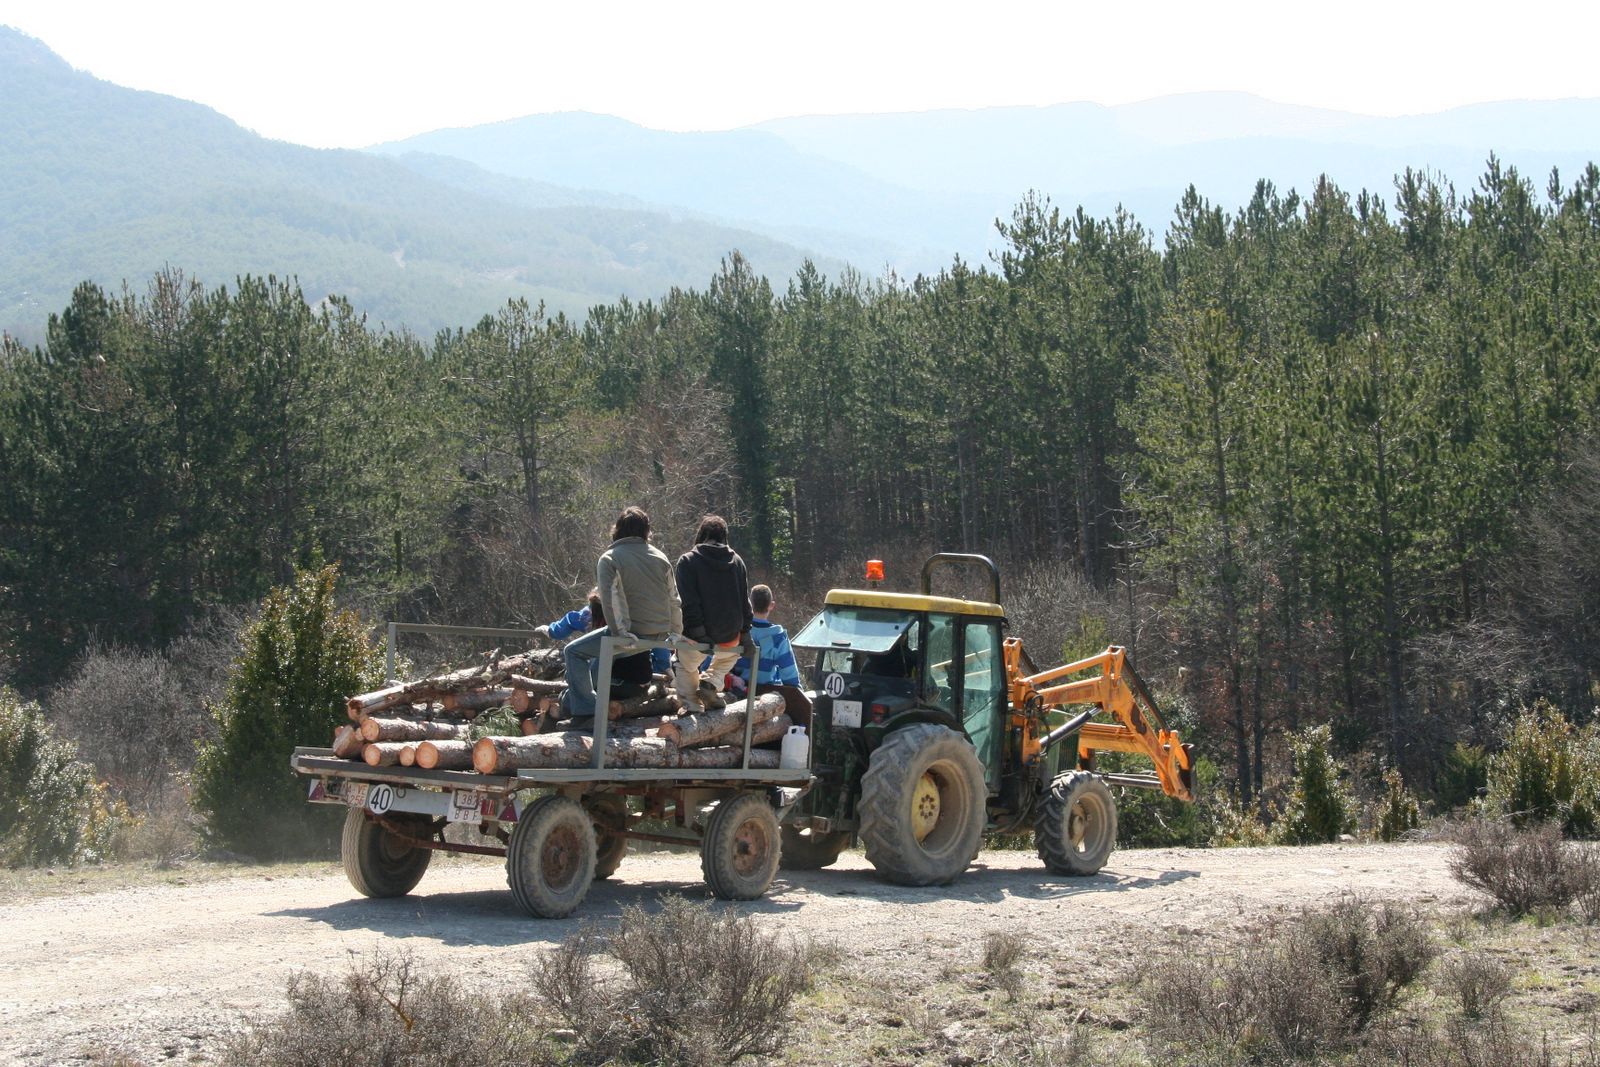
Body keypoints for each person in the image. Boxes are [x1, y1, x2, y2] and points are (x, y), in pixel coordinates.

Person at [564, 506, 703, 717]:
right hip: (660, 635)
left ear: (617, 529)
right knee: (597, 660)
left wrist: (621, 634)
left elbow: (611, 601)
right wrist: (675, 632)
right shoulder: (661, 557)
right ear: (646, 531)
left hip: (631, 634)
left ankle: (585, 714)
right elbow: (674, 600)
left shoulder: (610, 558)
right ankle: (585, 705)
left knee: (573, 652)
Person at [674, 514, 751, 700]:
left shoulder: (687, 561)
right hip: (730, 637)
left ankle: (691, 705)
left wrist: (700, 636)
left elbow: (688, 603)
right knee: (727, 657)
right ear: (725, 537)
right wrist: (746, 634)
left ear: (701, 534)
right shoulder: (738, 562)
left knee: (684, 665)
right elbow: (744, 602)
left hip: (697, 637)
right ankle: (712, 682)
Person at [537, 588, 670, 678]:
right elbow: (659, 647)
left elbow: (570, 620)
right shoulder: (633, 618)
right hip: (628, 676)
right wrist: (660, 668)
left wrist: (552, 631)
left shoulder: (588, 615)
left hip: (599, 675)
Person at [730, 583, 803, 694]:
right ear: (771, 605)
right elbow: (790, 676)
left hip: (737, 689)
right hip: (765, 695)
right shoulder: (778, 637)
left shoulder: (737, 630)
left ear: (749, 604)